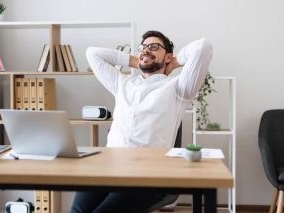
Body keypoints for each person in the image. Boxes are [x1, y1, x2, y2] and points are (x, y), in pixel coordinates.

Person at [70, 31, 213, 213]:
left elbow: (203, 47)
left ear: (168, 56)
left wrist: (174, 63)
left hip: (147, 174)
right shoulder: (122, 83)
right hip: (107, 166)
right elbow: (92, 53)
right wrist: (135, 61)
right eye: (143, 48)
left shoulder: (178, 88)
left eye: (154, 47)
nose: (146, 50)